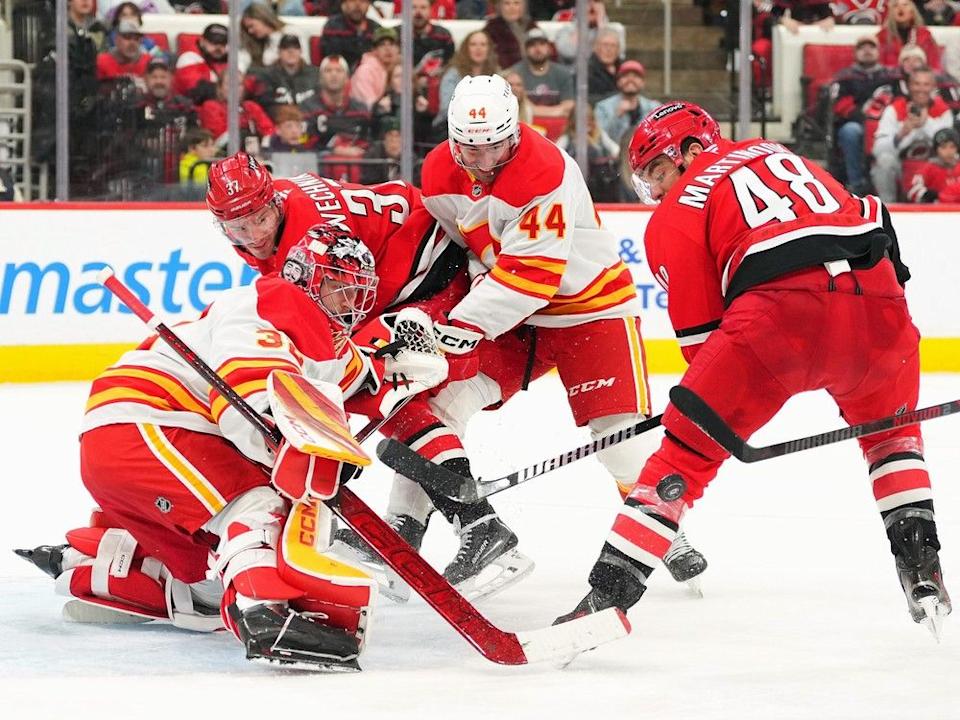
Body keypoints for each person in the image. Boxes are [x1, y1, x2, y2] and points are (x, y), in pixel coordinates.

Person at [558, 101, 951, 638]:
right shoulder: (781, 153)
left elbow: (705, 346)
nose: (654, 190)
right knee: (893, 440)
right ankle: (922, 572)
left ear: (690, 152)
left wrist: (699, 412)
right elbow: (874, 211)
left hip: (779, 321)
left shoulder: (678, 213)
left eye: (656, 171)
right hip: (881, 310)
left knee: (681, 456)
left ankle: (606, 599)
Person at [17, 228, 450, 671]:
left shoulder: (322, 338)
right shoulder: (265, 304)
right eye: (337, 285)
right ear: (305, 279)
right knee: (255, 502)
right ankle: (263, 611)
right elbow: (250, 402)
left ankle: (98, 563)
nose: (349, 301)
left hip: (127, 440)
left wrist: (401, 368)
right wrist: (303, 447)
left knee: (200, 587)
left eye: (355, 291)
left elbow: (359, 378)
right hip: (149, 422)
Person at [411, 75, 709, 590]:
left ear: (515, 131)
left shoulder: (544, 169)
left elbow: (533, 277)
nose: (483, 161)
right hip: (512, 316)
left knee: (616, 434)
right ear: (452, 137)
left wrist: (462, 323)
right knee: (434, 404)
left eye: (496, 146)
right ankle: (404, 526)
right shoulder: (439, 170)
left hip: (587, 310)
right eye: (471, 149)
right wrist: (440, 314)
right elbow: (448, 255)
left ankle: (665, 529)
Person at [204, 153, 534, 597]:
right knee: (384, 394)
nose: (254, 235)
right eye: (238, 227)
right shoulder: (273, 213)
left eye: (260, 218)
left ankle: (481, 527)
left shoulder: (306, 232)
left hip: (433, 272)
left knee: (383, 392)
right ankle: (406, 534)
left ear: (274, 201)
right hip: (400, 275)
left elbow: (326, 327)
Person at [870, 65, 953, 202]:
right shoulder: (894, 109)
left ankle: (941, 203)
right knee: (884, 161)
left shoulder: (943, 111)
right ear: (908, 86)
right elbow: (877, 149)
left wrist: (925, 123)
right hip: (901, 166)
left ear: (933, 87)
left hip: (932, 167)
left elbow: (949, 149)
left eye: (926, 84)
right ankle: (888, 207)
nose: (921, 89)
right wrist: (903, 133)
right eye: (916, 84)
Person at [830, 35, 896, 194]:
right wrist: (865, 118)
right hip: (857, 123)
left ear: (878, 51)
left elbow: (899, 101)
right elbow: (839, 105)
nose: (867, 51)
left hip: (888, 123)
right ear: (855, 53)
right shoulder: (844, 76)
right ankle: (856, 184)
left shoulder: (891, 75)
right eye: (862, 47)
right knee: (850, 131)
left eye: (871, 47)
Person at [509, 28, 574, 121]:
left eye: (542, 44)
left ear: (549, 48)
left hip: (558, 124)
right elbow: (517, 105)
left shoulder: (563, 73)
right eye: (532, 45)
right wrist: (556, 111)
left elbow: (569, 106)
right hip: (526, 122)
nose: (537, 49)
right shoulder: (516, 72)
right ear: (525, 50)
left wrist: (534, 110)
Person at [594, 59, 659, 148]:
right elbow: (597, 139)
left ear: (643, 82)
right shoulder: (603, 107)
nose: (630, 80)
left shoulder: (655, 108)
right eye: (625, 76)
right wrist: (617, 115)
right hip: (612, 159)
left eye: (636, 76)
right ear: (618, 81)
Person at [877, 0, 942, 71]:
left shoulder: (925, 35)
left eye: (905, 5)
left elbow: (934, 64)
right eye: (895, 5)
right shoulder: (882, 36)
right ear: (891, 12)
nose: (900, 8)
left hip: (920, 77)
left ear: (912, 11)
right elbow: (878, 65)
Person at [173, 22, 228, 103]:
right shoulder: (189, 58)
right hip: (192, 111)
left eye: (223, 43)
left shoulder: (227, 61)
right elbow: (198, 92)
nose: (218, 47)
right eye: (214, 42)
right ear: (202, 41)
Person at [320, 0, 381, 71]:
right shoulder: (333, 27)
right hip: (341, 74)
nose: (357, 5)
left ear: (368, 5)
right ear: (343, 5)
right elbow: (332, 57)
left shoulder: (376, 28)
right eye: (352, 1)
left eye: (363, 1)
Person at [905, 126, 960, 201]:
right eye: (943, 147)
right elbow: (912, 190)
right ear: (936, 149)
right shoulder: (928, 168)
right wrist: (930, 196)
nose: (948, 151)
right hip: (935, 210)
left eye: (952, 147)